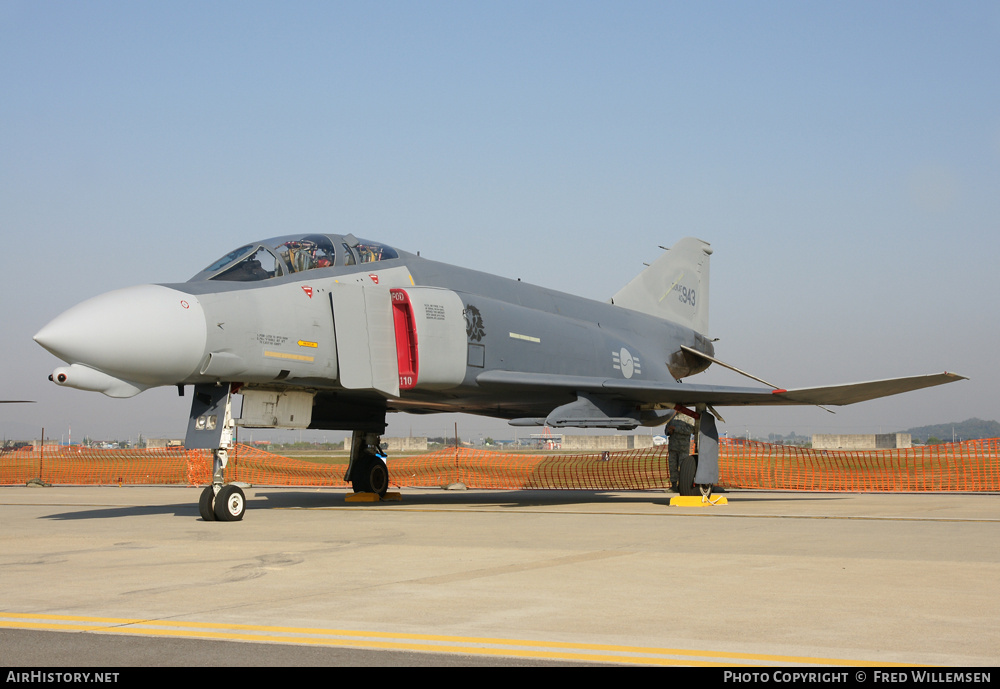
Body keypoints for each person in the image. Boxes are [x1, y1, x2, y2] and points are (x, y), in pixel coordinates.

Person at [666, 411, 695, 491]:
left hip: (683, 448)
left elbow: (691, 430)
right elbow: (666, 430)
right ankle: (674, 486)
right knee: (672, 467)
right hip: (673, 448)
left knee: (683, 467)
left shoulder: (688, 418)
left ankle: (683, 486)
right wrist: (669, 431)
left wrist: (676, 429)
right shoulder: (672, 418)